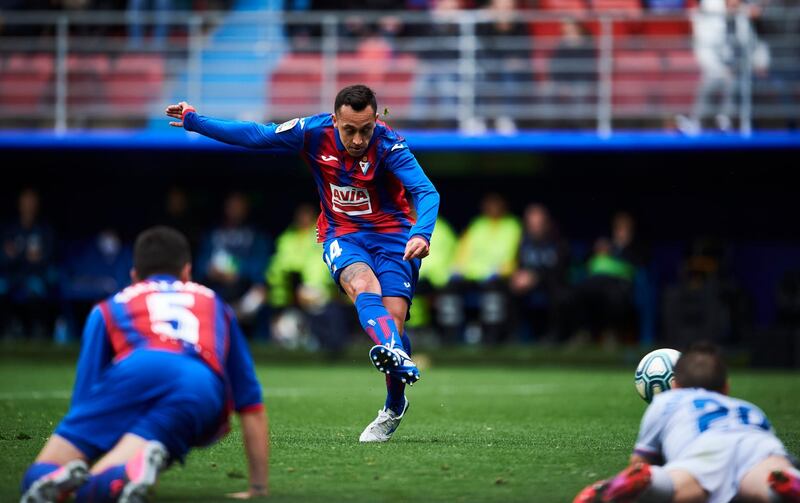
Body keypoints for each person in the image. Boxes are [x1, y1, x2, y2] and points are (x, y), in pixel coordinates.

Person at [166, 84, 440, 443]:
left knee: (395, 317)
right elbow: (256, 135)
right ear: (334, 120)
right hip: (343, 233)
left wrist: (422, 233)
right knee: (360, 284)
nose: (358, 139)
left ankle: (394, 402)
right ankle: (392, 350)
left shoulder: (390, 145)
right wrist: (194, 121)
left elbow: (426, 191)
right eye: (349, 129)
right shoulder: (312, 132)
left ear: (375, 121)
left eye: (365, 129)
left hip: (393, 237)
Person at [19, 226, 269, 502]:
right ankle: (131, 468)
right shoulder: (213, 302)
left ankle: (62, 477)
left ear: (134, 277)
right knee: (94, 490)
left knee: (37, 478)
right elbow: (250, 404)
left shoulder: (108, 307)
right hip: (197, 382)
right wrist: (257, 487)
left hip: (135, 369)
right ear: (187, 273)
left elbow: (86, 399)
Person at [573, 343, 800, 503]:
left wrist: (646, 468)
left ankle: (646, 483)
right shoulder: (747, 407)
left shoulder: (667, 401)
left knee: (682, 485)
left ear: (675, 385)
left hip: (705, 452)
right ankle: (782, 482)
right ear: (726, 388)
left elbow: (639, 460)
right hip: (757, 448)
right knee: (766, 478)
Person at [196, 191, 272, 340]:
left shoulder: (256, 235)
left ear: (246, 209)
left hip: (245, 291)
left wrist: (239, 272)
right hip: (216, 290)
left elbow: (262, 266)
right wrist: (210, 270)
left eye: (239, 207)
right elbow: (200, 264)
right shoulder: (213, 233)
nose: (235, 211)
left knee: (259, 295)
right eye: (232, 207)